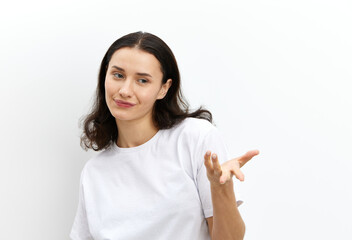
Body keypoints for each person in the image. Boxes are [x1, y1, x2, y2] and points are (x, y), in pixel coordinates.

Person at [69, 31, 259, 240]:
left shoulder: (195, 139)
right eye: (118, 75)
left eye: (142, 80)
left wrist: (220, 188)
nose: (124, 90)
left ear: (164, 88)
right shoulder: (94, 172)